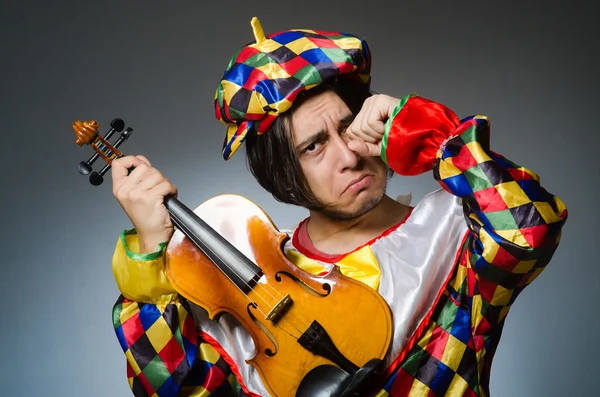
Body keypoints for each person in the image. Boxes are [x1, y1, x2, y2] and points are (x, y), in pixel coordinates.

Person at [109, 18, 567, 397]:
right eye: (314, 147)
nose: (349, 156)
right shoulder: (260, 297)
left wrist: (430, 135)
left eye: (349, 128)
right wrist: (151, 251)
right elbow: (174, 388)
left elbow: (530, 229)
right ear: (281, 174)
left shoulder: (455, 232)